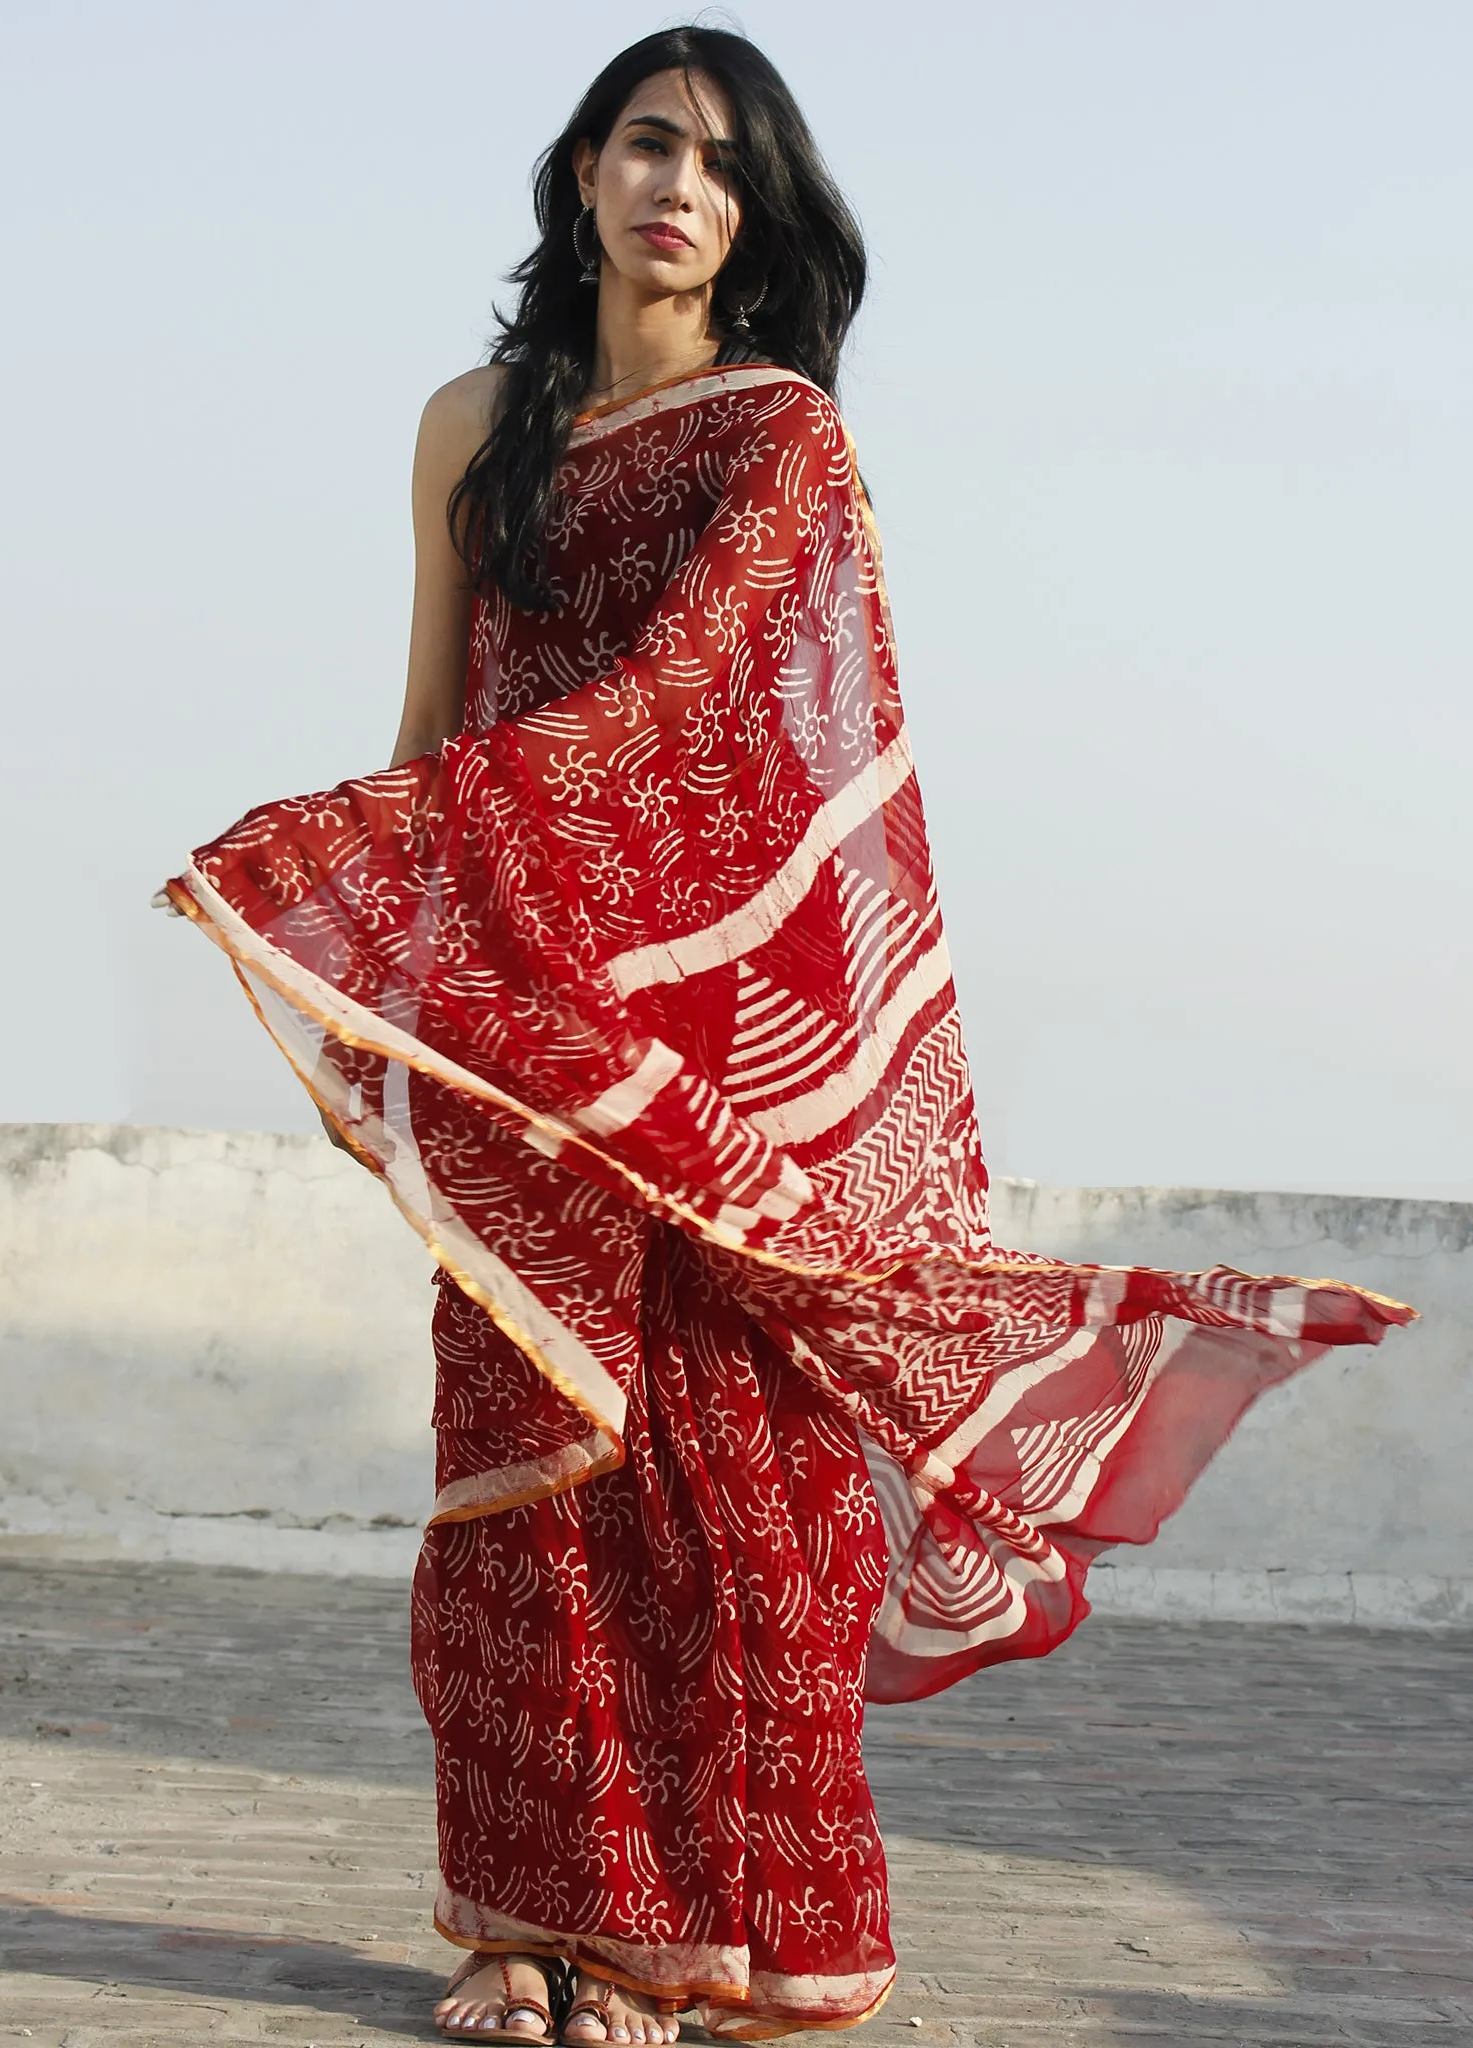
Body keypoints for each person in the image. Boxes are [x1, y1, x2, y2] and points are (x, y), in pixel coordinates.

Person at [157, 26, 1414, 2045]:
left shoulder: (780, 444)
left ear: (759, 215)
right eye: (651, 142)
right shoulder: (468, 421)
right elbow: (437, 725)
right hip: (518, 1035)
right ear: (583, 169)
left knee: (716, 1493)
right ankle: (524, 1926)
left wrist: (424, 863)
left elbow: (676, 722)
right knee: (525, 1478)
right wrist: (377, 1002)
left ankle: (679, 1944)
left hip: (706, 1053)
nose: (685, 186)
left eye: (728, 165)